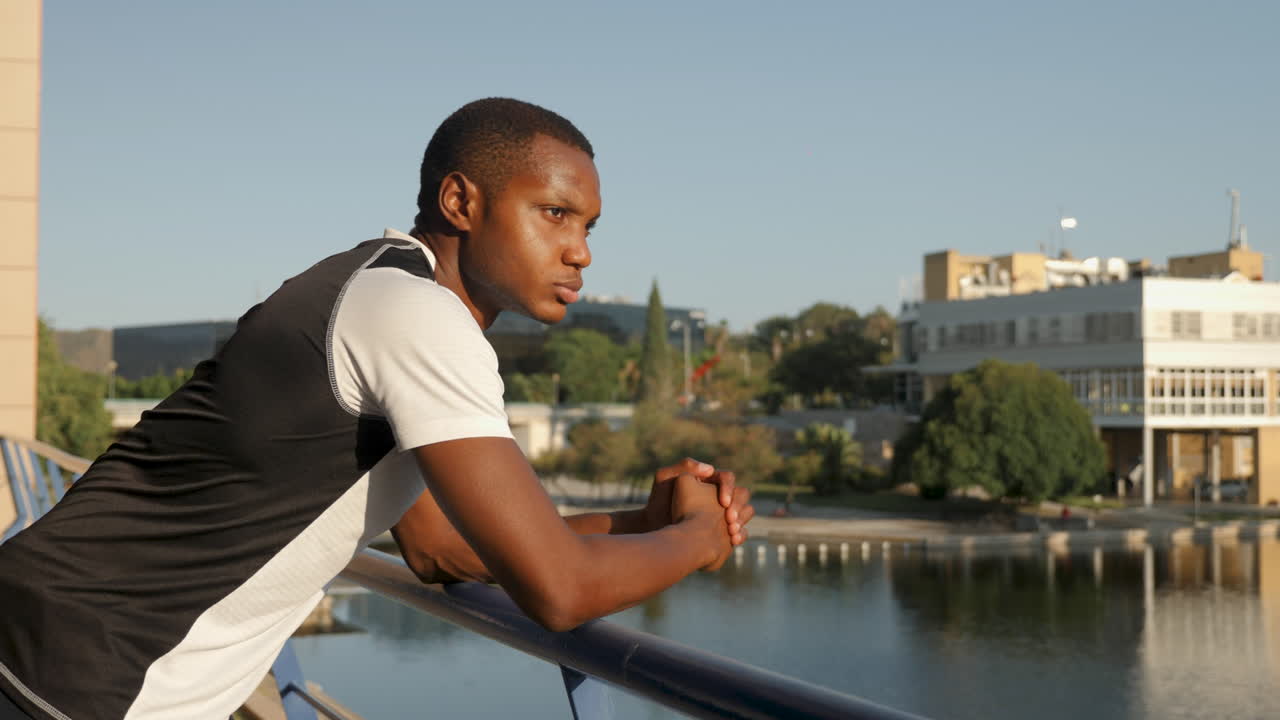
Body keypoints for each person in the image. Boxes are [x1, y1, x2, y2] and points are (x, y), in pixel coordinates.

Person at [0, 98, 754, 720]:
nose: (580, 251)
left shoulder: (373, 284)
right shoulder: (418, 318)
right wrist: (700, 537)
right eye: (553, 213)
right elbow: (558, 592)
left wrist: (641, 526)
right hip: (74, 676)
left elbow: (437, 549)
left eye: (588, 226)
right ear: (461, 201)